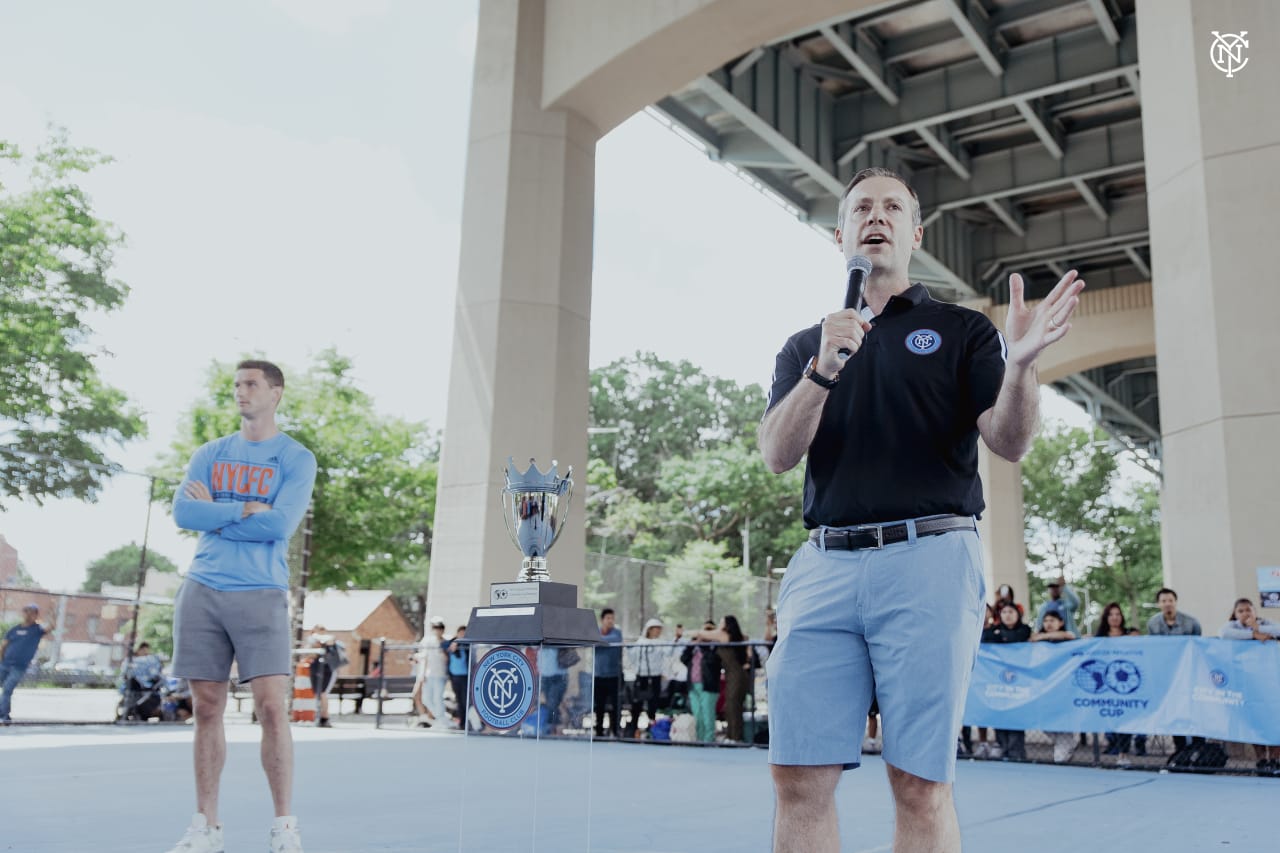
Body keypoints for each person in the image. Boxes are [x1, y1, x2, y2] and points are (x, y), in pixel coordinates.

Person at [758, 165, 1083, 852]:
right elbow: (778, 454)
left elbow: (1009, 439)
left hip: (931, 557)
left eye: (893, 208)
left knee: (919, 783)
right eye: (862, 208)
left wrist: (1021, 367)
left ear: (916, 231)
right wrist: (824, 369)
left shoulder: (961, 330)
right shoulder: (805, 345)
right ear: (839, 232)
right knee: (797, 777)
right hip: (824, 566)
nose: (877, 217)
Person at [168, 358, 317, 853]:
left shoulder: (296, 458)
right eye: (236, 385)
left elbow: (278, 526)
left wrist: (214, 514)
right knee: (206, 708)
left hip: (261, 592)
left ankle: (284, 828)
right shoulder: (210, 453)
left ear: (275, 393)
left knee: (273, 709)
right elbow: (183, 512)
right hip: (203, 588)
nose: (241, 392)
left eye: (251, 384)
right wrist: (239, 509)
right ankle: (205, 827)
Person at [1218, 598, 1280, 774]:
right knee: (1256, 722)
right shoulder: (1233, 628)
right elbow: (1223, 633)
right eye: (1241, 611)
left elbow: (1278, 630)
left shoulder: (1265, 623)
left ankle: (1275, 760)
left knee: (1275, 721)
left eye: (1249, 610)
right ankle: (1261, 760)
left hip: (1271, 681)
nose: (1246, 614)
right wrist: (1253, 635)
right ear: (1236, 614)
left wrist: (1257, 628)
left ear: (1255, 612)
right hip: (1248, 682)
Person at [1145, 588, 1202, 755]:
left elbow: (1199, 647)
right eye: (1163, 601)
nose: (1167, 604)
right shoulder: (1153, 623)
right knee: (1175, 710)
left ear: (1175, 602)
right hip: (1168, 676)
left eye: (1170, 600)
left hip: (1189, 674)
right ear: (1158, 604)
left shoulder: (1191, 622)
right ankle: (1181, 749)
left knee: (1193, 708)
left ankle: (1200, 748)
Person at [691, 615, 753, 743]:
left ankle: (735, 737)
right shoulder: (735, 636)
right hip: (733, 674)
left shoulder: (722, 634)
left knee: (733, 705)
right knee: (731, 705)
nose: (719, 624)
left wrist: (691, 633)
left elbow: (701, 633)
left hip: (736, 674)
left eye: (721, 621)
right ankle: (732, 735)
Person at [981, 603, 1031, 760]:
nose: (1007, 615)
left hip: (1019, 682)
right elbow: (986, 637)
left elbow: (1015, 637)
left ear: (1018, 615)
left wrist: (1000, 635)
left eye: (1011, 611)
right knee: (999, 712)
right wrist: (998, 635)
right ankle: (1002, 748)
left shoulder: (1025, 630)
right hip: (996, 681)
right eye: (1004, 612)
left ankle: (1017, 752)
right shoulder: (991, 630)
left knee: (1016, 715)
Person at [1031, 609, 1078, 763]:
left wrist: (1044, 635)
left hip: (1064, 688)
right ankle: (1066, 742)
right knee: (1042, 720)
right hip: (1044, 688)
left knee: (1060, 758)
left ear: (1061, 623)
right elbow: (1031, 639)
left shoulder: (1066, 638)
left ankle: (1065, 745)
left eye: (1052, 620)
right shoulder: (1037, 640)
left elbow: (1070, 635)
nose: (1048, 624)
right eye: (1046, 621)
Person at [1094, 603, 1139, 765]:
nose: (1115, 617)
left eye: (1118, 614)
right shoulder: (1099, 638)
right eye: (1111, 614)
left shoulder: (1130, 634)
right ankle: (1111, 746)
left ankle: (1123, 753)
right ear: (1106, 618)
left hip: (1126, 683)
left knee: (1125, 718)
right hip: (1106, 684)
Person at [0, 603, 53, 725]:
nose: (29, 614)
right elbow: (3, 646)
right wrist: (1, 660)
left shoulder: (37, 630)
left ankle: (2, 715)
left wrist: (52, 613)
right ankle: (5, 715)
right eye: (26, 611)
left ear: (36, 615)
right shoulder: (14, 629)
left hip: (19, 666)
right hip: (5, 664)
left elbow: (52, 626)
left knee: (7, 689)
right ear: (23, 613)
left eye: (32, 612)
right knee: (5, 691)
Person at [625, 617, 670, 738]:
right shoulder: (640, 642)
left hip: (655, 677)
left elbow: (669, 654)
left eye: (659, 629)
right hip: (641, 677)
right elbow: (632, 657)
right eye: (656, 629)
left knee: (653, 704)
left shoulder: (662, 643)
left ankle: (652, 730)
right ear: (649, 630)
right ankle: (633, 730)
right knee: (637, 705)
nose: (658, 631)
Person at [681, 620, 722, 743]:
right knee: (697, 714)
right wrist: (692, 644)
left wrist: (704, 645)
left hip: (708, 685)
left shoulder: (716, 647)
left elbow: (713, 662)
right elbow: (683, 658)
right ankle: (699, 738)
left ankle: (709, 739)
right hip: (693, 684)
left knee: (708, 714)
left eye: (710, 630)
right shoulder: (694, 647)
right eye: (704, 630)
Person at [593, 608, 623, 738]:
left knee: (616, 705)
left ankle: (615, 731)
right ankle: (599, 731)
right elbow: (594, 641)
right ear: (602, 620)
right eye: (608, 618)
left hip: (614, 676)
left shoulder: (617, 633)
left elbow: (615, 640)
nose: (610, 620)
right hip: (599, 676)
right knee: (599, 706)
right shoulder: (595, 632)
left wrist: (600, 640)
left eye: (612, 618)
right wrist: (599, 639)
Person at [306, 625, 343, 728]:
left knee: (323, 693)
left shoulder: (329, 640)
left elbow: (330, 641)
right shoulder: (312, 642)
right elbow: (308, 655)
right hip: (316, 668)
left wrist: (320, 640)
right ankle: (318, 716)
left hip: (327, 669)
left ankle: (324, 717)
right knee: (317, 693)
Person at [413, 619, 448, 728]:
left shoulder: (446, 642)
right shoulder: (428, 641)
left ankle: (443, 721)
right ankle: (441, 719)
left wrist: (442, 648)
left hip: (441, 675)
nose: (437, 630)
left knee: (438, 699)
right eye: (435, 628)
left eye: (439, 628)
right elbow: (424, 657)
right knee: (426, 699)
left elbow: (447, 659)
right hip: (429, 675)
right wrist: (422, 674)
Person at [447, 626, 469, 730]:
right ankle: (461, 721)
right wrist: (454, 644)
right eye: (461, 633)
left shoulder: (468, 644)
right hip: (455, 677)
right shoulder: (452, 643)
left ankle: (467, 721)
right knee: (459, 700)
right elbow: (444, 646)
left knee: (465, 700)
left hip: (465, 677)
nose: (462, 635)